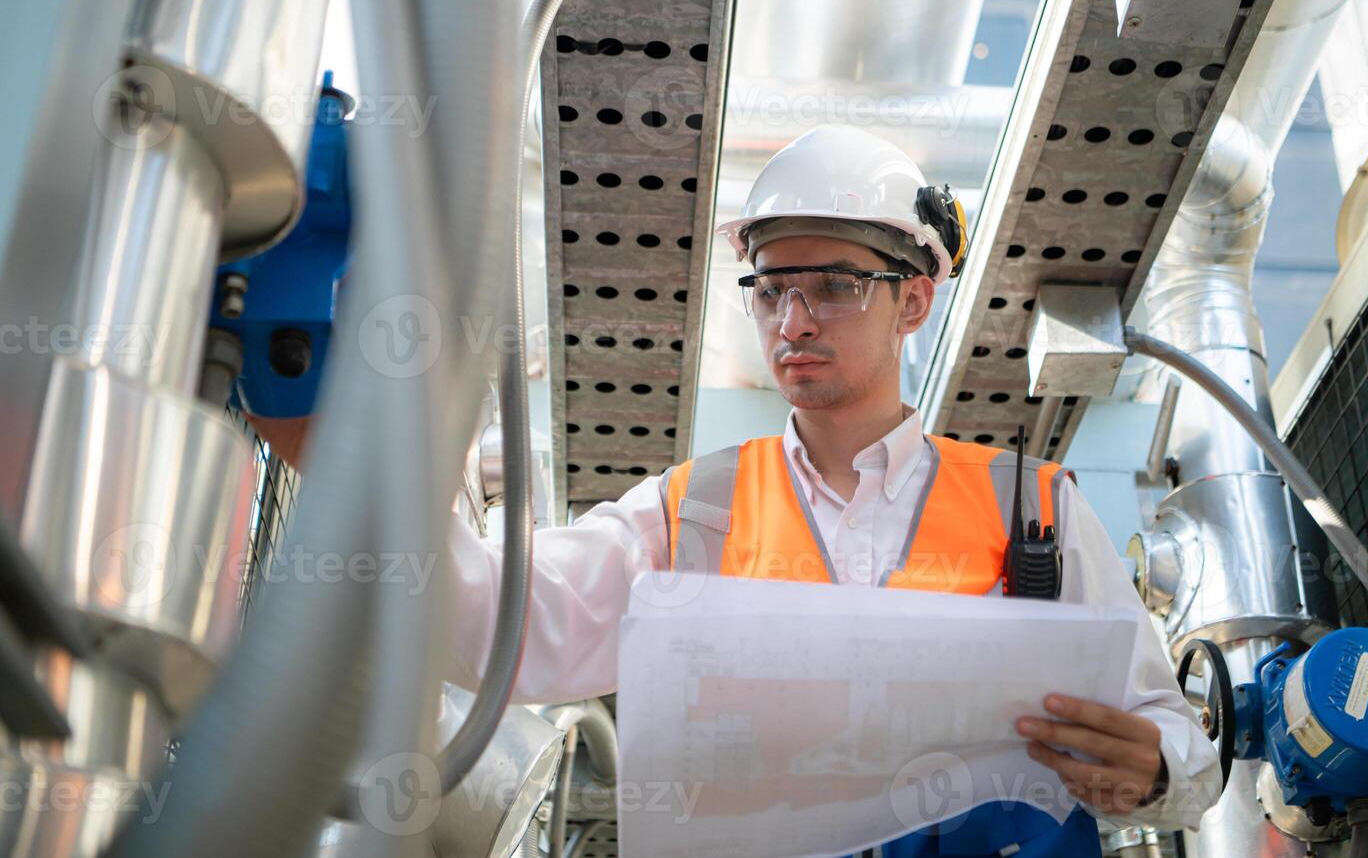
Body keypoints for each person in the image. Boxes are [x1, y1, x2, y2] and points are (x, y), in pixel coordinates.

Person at [259, 124, 1222, 854]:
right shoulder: (694, 512)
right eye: (770, 288)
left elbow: (1184, 748)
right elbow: (499, 625)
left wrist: (1152, 768)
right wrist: (334, 451)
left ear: (915, 298)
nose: (793, 319)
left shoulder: (1037, 510)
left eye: (835, 285)